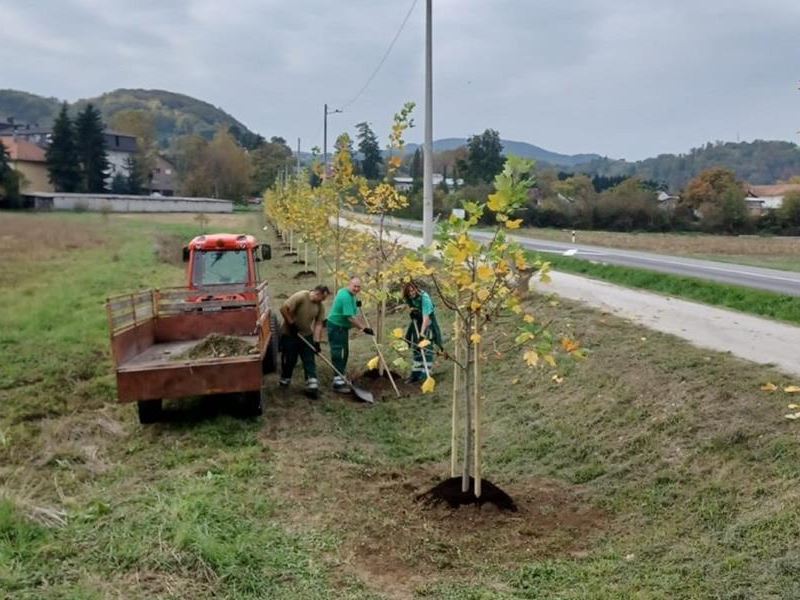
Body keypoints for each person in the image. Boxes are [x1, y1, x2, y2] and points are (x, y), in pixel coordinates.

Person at [279, 285, 330, 396]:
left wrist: (316, 342)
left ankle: (312, 382)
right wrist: (291, 323)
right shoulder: (301, 296)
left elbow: (318, 324)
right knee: (290, 359)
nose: (322, 301)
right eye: (322, 298)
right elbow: (283, 308)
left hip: (306, 335)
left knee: (309, 358)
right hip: (290, 334)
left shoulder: (320, 306)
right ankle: (285, 378)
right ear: (317, 293)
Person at [326, 276, 373, 392]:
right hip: (337, 327)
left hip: (341, 328)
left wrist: (356, 305)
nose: (356, 289)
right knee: (339, 352)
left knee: (344, 351)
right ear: (349, 284)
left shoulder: (349, 294)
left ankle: (341, 376)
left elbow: (352, 310)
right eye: (354, 286)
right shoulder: (345, 296)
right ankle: (338, 382)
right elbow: (350, 318)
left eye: (359, 287)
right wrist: (364, 328)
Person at [403, 281, 443, 383]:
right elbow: (411, 307)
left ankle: (426, 374)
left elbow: (426, 318)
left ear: (417, 288)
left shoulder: (425, 298)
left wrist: (421, 334)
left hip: (428, 322)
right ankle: (415, 374)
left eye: (413, 290)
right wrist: (413, 312)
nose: (411, 293)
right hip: (417, 321)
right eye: (409, 292)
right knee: (417, 347)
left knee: (426, 347)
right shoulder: (408, 297)